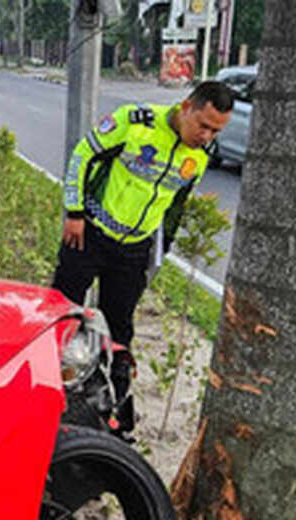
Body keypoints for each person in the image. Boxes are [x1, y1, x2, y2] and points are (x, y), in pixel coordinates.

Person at [52, 82, 234, 435]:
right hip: (88, 234)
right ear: (186, 107)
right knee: (61, 314)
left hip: (133, 250)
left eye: (216, 131)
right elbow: (82, 156)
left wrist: (158, 252)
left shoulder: (198, 156)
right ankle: (46, 390)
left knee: (119, 330)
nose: (207, 136)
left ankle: (113, 414)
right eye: (204, 125)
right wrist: (73, 212)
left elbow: (175, 206)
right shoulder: (135, 123)